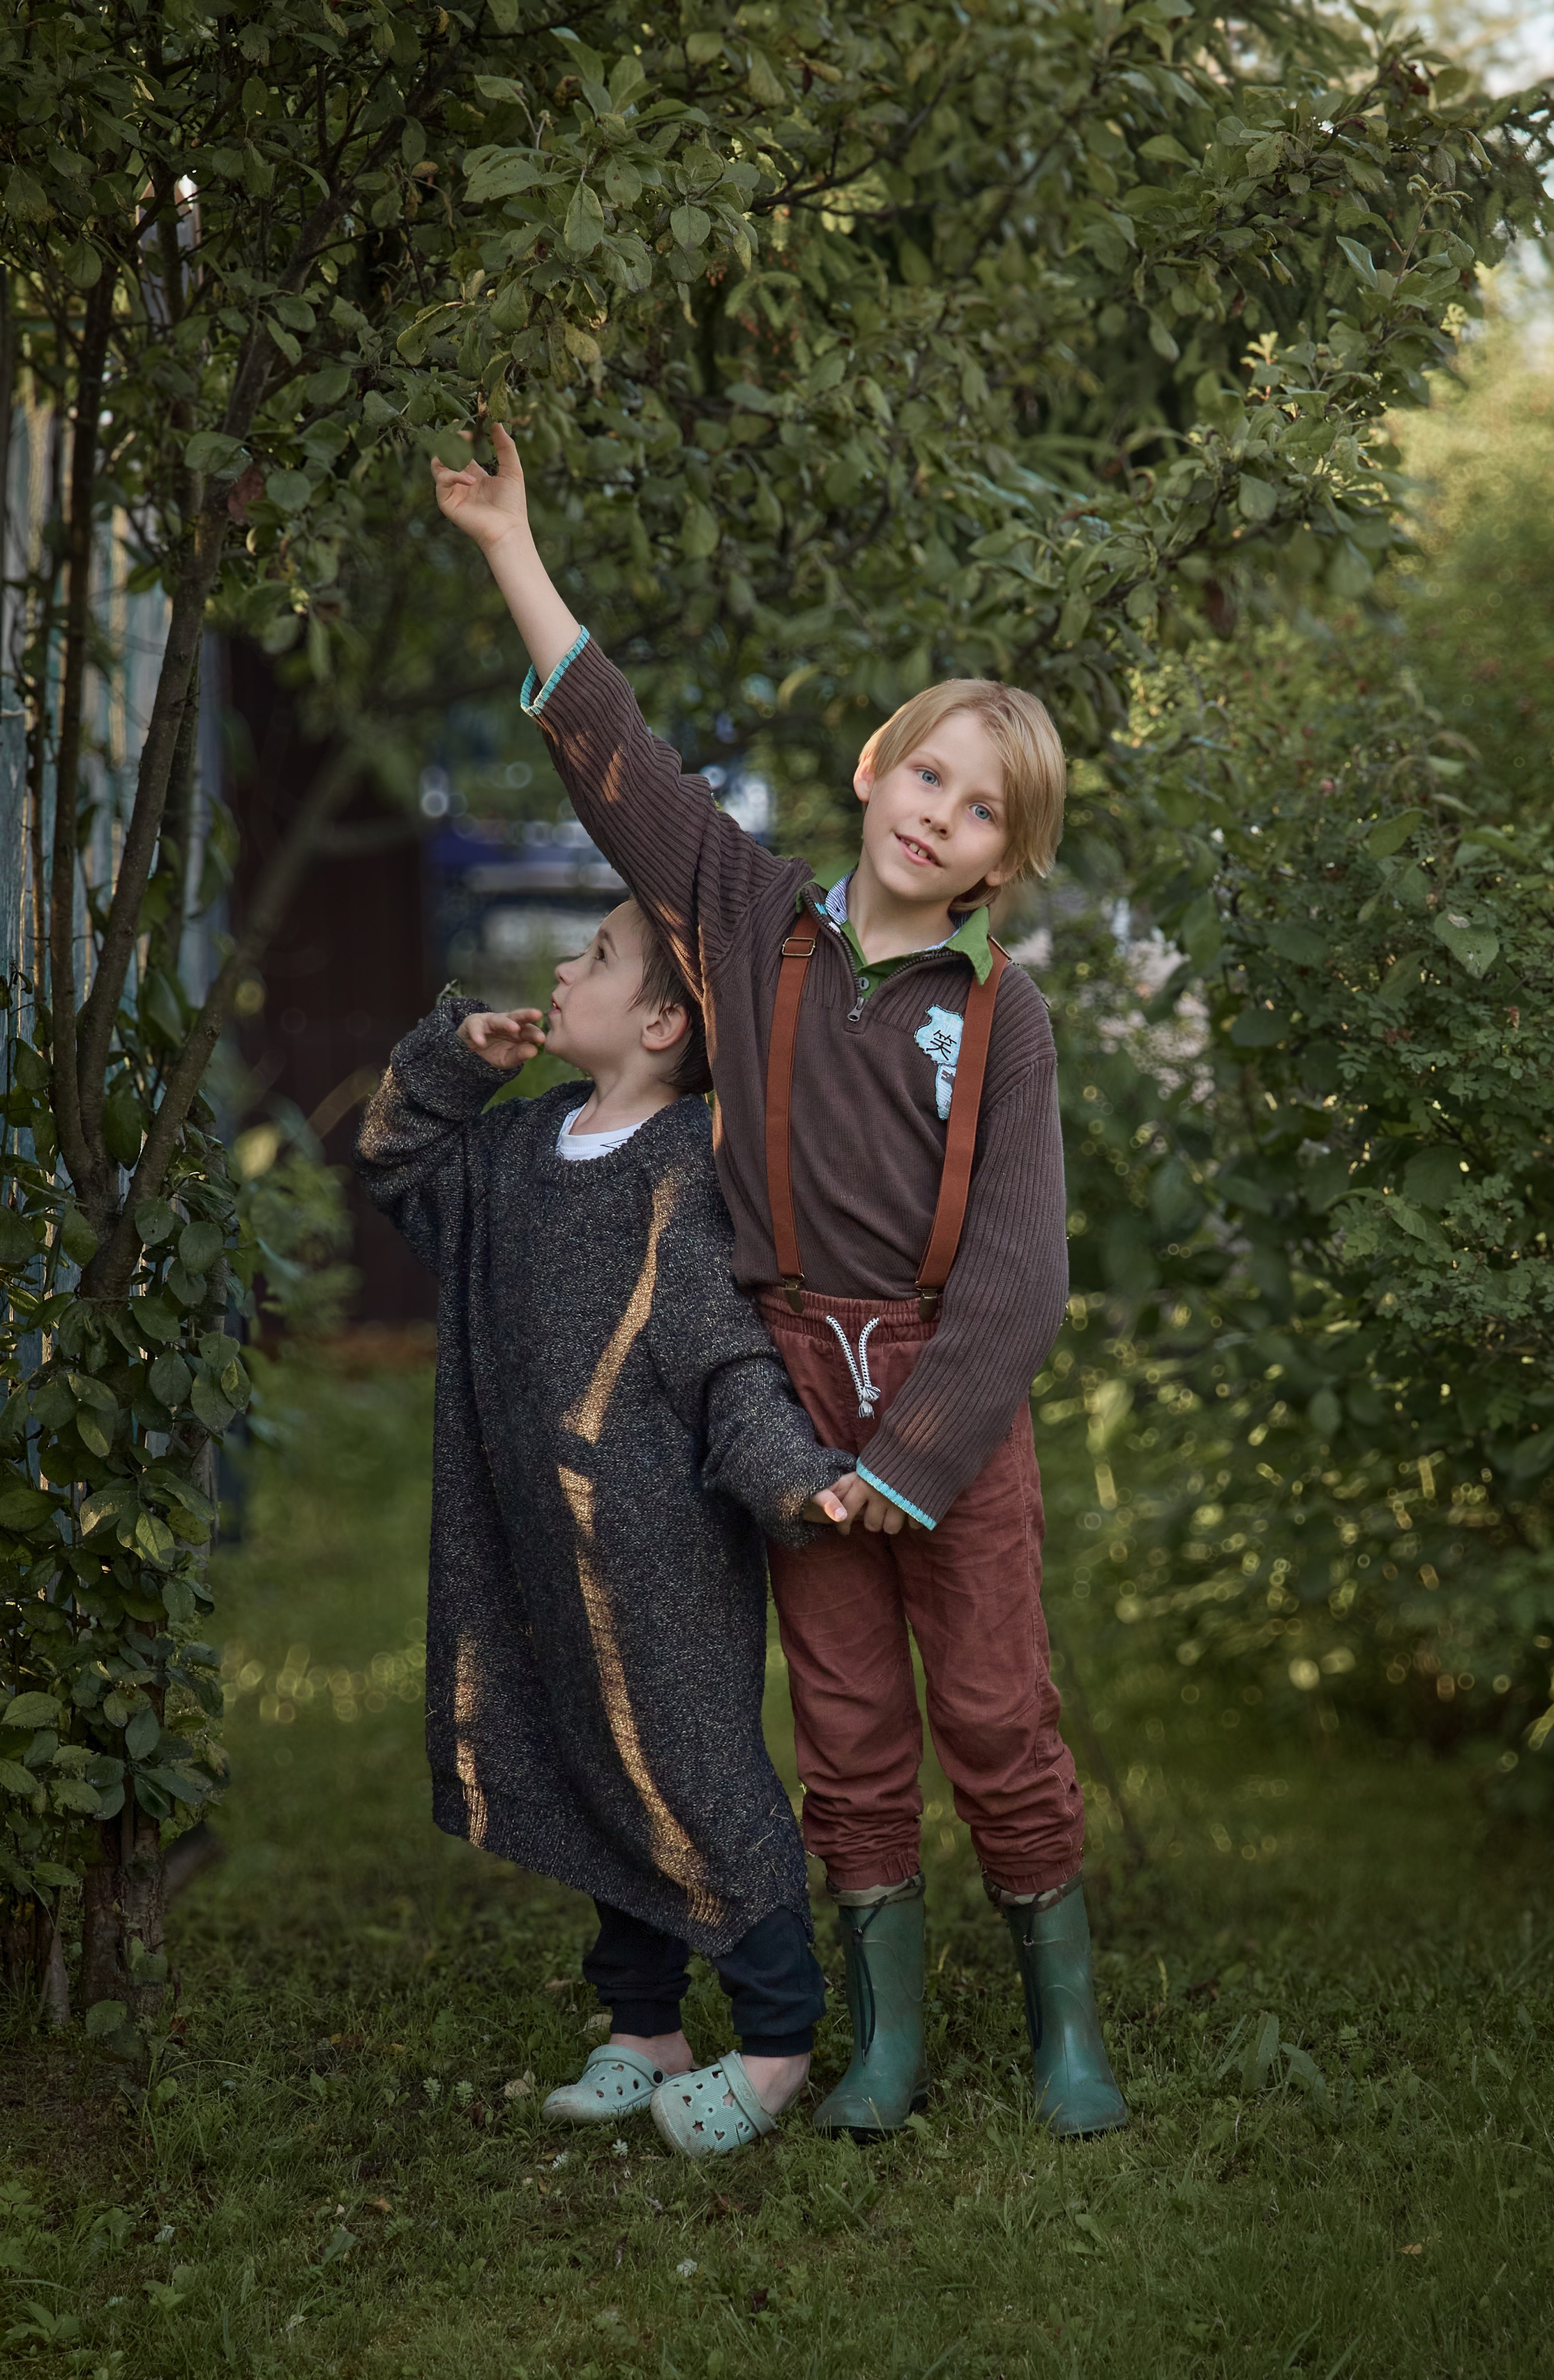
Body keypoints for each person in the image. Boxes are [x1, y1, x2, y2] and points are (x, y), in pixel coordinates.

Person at [432, 423, 1126, 2142]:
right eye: (928, 776)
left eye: (979, 813)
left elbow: (1023, 1275)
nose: (938, 816)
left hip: (939, 1417)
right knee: (841, 1721)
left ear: (995, 864)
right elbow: (624, 768)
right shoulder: (754, 924)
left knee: (987, 1704)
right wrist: (515, 548)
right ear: (877, 768)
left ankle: (1063, 2025)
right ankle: (881, 2031)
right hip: (788, 1394)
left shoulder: (1002, 1018)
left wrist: (919, 1458)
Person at [357, 896, 854, 2161]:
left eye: (598, 956)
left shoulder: (683, 1166)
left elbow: (724, 1359)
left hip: (658, 1556)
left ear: (662, 1020)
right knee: (587, 1761)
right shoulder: (518, 1149)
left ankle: (780, 2039)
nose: (563, 970)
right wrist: (448, 1060)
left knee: (694, 1772)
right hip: (529, 1540)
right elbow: (394, 1158)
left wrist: (797, 1479)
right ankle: (646, 2030)